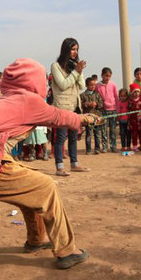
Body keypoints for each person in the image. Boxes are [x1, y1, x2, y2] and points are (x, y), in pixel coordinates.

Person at [0, 58, 97, 269]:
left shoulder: (10, 98)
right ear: (32, 81)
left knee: (31, 186)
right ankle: (67, 251)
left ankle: (37, 239)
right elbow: (55, 116)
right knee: (46, 187)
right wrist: (82, 119)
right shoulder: (27, 100)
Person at [50, 37, 88, 176]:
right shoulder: (56, 66)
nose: (75, 52)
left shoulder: (74, 66)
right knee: (60, 137)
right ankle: (59, 166)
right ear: (66, 50)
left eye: (76, 49)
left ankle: (74, 164)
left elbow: (82, 86)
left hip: (75, 106)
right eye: (72, 49)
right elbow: (63, 84)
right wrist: (76, 72)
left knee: (73, 137)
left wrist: (79, 71)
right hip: (62, 106)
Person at [96, 67, 118, 152]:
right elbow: (97, 97)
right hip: (103, 110)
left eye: (109, 76)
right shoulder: (98, 86)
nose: (107, 78)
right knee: (104, 130)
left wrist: (117, 110)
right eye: (106, 76)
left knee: (113, 129)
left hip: (113, 110)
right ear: (102, 75)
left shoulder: (113, 85)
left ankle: (113, 146)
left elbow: (116, 97)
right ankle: (105, 147)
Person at [81, 77, 104, 155]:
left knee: (97, 134)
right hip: (88, 118)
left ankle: (97, 148)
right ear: (86, 85)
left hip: (96, 117)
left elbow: (101, 104)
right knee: (88, 134)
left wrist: (96, 104)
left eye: (94, 85)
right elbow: (80, 105)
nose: (93, 87)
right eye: (91, 85)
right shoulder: (83, 95)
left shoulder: (97, 94)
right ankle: (88, 149)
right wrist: (87, 104)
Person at [128, 83, 141, 151]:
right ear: (132, 92)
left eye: (138, 91)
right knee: (134, 134)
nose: (136, 93)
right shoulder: (130, 101)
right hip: (133, 120)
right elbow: (128, 110)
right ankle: (135, 146)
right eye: (135, 92)